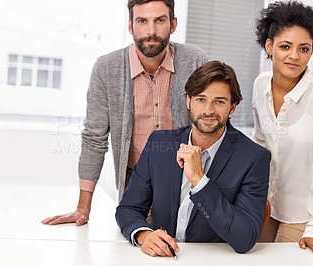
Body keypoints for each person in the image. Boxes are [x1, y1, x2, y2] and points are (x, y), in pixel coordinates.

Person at [42, 0, 208, 226]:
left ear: (173, 24)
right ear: (130, 26)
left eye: (160, 20)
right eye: (142, 21)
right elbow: (94, 137)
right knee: (137, 250)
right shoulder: (106, 68)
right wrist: (83, 208)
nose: (151, 31)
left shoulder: (195, 60)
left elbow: (210, 123)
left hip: (187, 178)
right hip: (136, 182)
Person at [116, 61, 271, 256]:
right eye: (200, 99)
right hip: (160, 259)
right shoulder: (160, 144)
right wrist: (144, 235)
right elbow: (128, 208)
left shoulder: (254, 158)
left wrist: (200, 181)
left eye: (220, 101)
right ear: (188, 101)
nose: (208, 110)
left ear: (233, 107)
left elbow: (245, 238)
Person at [252, 1, 313, 255]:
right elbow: (260, 144)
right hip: (265, 205)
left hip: (302, 214)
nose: (294, 56)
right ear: (269, 46)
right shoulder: (260, 85)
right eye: (285, 46)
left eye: (304, 48)